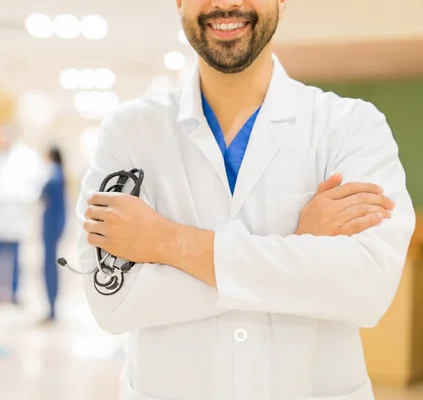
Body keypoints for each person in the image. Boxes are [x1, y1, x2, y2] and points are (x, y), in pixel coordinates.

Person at [76, 1, 416, 399]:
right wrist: (296, 246)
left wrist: (169, 242)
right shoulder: (129, 133)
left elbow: (366, 288)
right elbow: (112, 301)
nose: (226, 3)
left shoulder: (351, 128)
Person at [0, 124, 43, 305]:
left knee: (16, 260)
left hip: (16, 217)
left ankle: (15, 294)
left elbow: (33, 188)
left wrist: (14, 195)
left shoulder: (26, 159)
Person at [40, 146, 67, 323]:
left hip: (51, 226)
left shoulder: (54, 175)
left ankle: (52, 307)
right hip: (52, 225)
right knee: (50, 266)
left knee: (50, 267)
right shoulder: (58, 174)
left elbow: (45, 196)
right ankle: (51, 307)